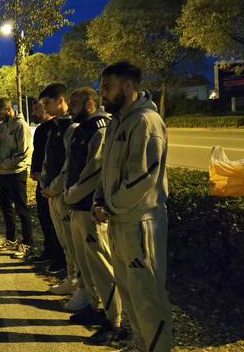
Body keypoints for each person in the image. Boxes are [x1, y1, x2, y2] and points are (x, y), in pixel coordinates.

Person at [94, 61, 171, 352]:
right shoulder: (118, 122)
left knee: (147, 295)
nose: (102, 94)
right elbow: (107, 170)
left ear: (128, 86)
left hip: (141, 223)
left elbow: (143, 177)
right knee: (128, 289)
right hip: (119, 219)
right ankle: (141, 344)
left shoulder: (146, 122)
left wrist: (110, 206)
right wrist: (100, 200)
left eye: (107, 87)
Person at [62, 87, 124, 345]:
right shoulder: (82, 128)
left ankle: (115, 322)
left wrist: (72, 194)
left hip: (90, 208)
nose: (70, 108)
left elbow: (95, 168)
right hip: (77, 206)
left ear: (89, 104)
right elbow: (72, 165)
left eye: (74, 104)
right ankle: (94, 306)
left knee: (101, 265)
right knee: (86, 264)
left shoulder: (99, 127)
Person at [39, 83, 88, 312]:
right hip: (52, 193)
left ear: (60, 101)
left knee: (74, 243)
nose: (45, 108)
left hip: (63, 195)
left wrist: (55, 187)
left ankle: (82, 288)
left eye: (47, 103)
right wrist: (44, 184)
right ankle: (71, 279)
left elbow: (70, 164)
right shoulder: (56, 126)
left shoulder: (71, 127)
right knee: (65, 242)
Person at [0, 98, 33, 259]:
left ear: (8, 110)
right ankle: (11, 239)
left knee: (22, 208)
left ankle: (27, 242)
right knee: (6, 207)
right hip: (3, 173)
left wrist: (6, 164)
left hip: (17, 172)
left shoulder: (21, 126)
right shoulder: (1, 126)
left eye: (0, 113)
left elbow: (24, 152)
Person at [28, 100, 66, 269]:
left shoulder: (58, 127)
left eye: (37, 109)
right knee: (44, 217)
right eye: (33, 109)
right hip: (41, 181)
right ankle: (49, 251)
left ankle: (61, 258)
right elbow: (37, 152)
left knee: (55, 221)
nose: (34, 112)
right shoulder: (41, 129)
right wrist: (35, 170)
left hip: (54, 182)